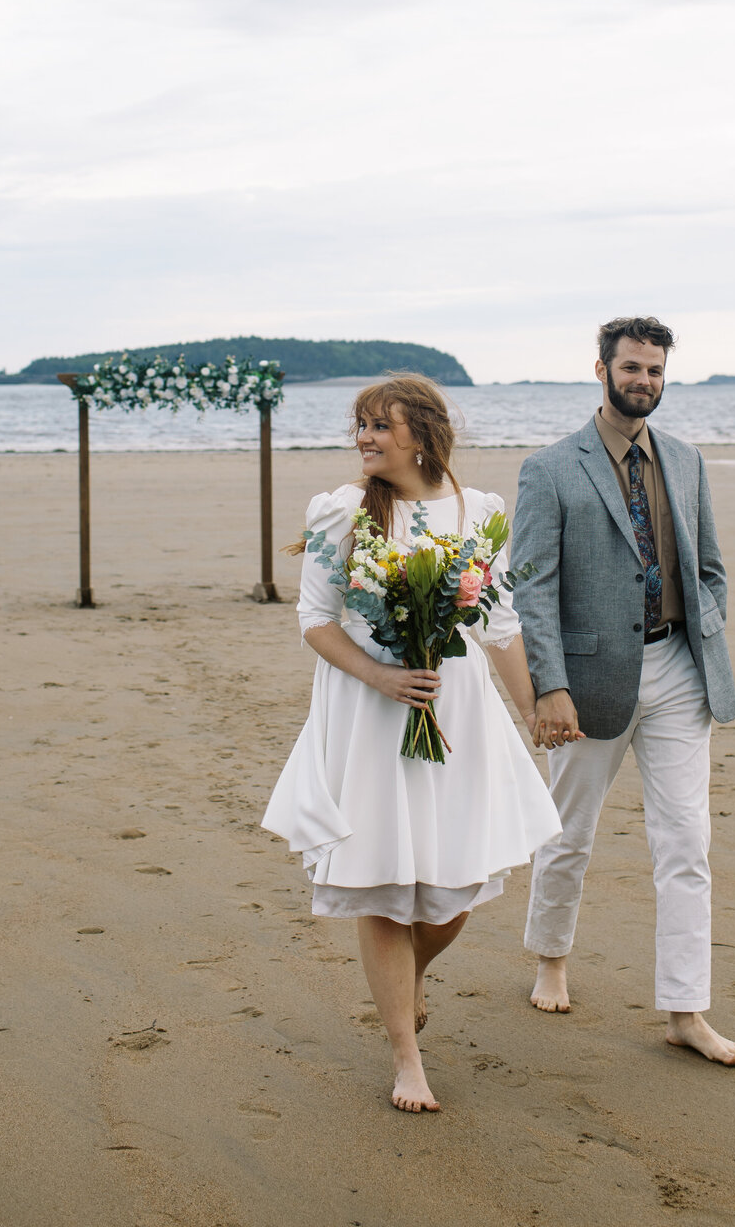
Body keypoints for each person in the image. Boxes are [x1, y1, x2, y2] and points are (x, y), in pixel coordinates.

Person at [262, 373, 560, 1113]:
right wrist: (381, 676)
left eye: (379, 426)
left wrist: (534, 712)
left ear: (422, 435)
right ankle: (406, 1057)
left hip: (455, 714)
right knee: (386, 889)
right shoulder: (341, 514)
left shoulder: (475, 511)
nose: (364, 438)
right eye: (359, 425)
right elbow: (314, 619)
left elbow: (498, 625)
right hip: (370, 716)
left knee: (454, 889)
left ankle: (411, 979)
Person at [513, 317, 735, 1065]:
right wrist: (549, 685)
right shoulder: (550, 469)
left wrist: (704, 626)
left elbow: (709, 564)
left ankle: (686, 1010)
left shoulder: (685, 459)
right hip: (589, 682)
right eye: (632, 367)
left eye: (655, 369)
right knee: (568, 833)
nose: (644, 380)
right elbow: (532, 590)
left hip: (681, 668)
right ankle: (551, 956)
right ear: (601, 369)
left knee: (686, 843)